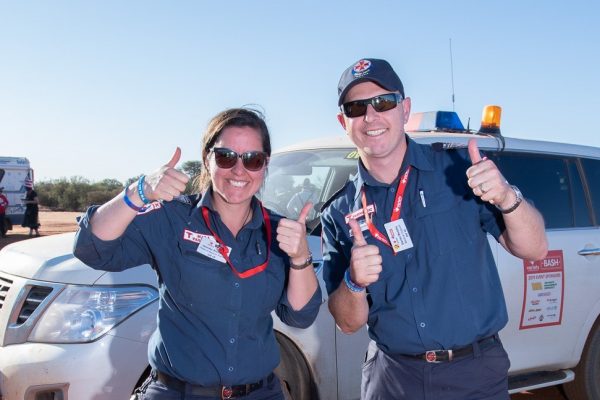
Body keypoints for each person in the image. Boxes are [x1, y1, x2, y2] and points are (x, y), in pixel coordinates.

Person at [321, 58, 548, 400]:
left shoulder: (458, 169)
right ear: (344, 121)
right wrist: (353, 282)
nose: (371, 116)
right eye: (356, 108)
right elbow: (347, 323)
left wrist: (506, 196)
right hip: (393, 380)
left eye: (383, 102)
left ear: (405, 108)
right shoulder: (340, 211)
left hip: (473, 375)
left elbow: (535, 249)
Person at [73, 108, 321, 400]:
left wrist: (300, 257)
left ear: (265, 165)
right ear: (207, 159)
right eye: (226, 157)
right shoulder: (172, 218)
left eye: (252, 160)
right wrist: (140, 191)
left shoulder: (279, 231)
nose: (239, 171)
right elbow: (91, 248)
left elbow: (300, 316)